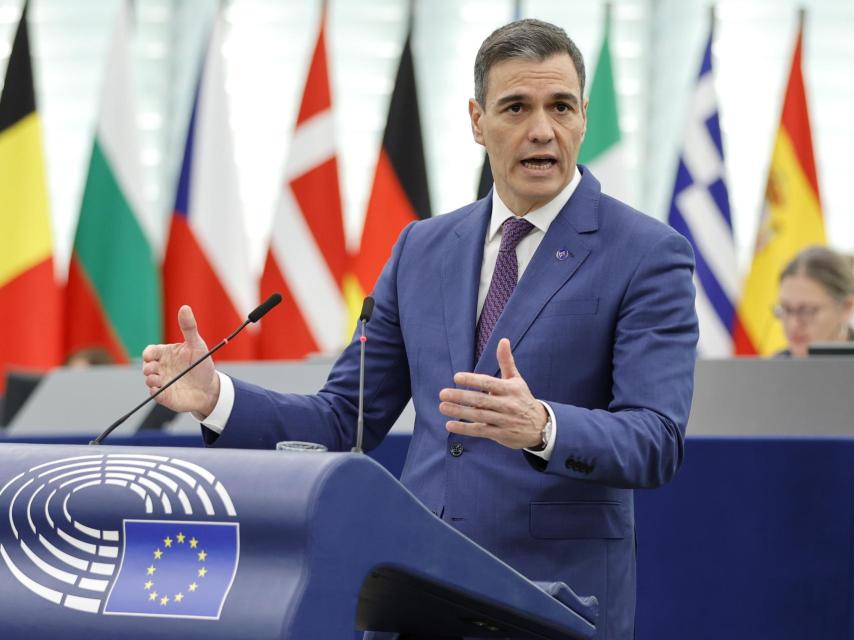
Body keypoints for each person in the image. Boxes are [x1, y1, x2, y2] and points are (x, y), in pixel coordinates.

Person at [142, 19, 698, 639]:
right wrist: (216, 398)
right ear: (477, 120)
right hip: (415, 595)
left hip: (553, 602)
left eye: (560, 106)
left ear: (583, 116)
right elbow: (342, 419)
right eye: (516, 106)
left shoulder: (649, 253)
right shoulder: (422, 247)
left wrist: (543, 427)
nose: (542, 129)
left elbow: (656, 439)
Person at [775, 245, 854, 357]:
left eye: (807, 311)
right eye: (786, 309)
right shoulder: (769, 370)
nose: (793, 324)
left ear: (846, 307)